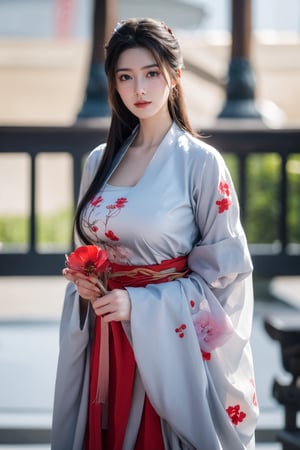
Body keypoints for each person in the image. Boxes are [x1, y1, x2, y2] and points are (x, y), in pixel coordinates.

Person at [51, 17, 259, 450]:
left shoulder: (200, 163)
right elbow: (90, 245)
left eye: (151, 73)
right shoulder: (98, 161)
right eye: (125, 77)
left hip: (166, 348)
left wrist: (142, 305)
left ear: (174, 76)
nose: (138, 89)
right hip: (104, 337)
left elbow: (225, 275)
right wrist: (88, 286)